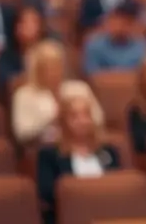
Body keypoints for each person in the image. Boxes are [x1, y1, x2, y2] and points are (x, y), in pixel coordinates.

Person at [37, 95, 123, 224]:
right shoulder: (50, 155)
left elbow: (120, 187)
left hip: (109, 215)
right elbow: (47, 192)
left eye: (86, 115)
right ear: (63, 122)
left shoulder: (108, 151)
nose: (82, 121)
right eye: (74, 117)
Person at [12, 40, 105, 146]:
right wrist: (52, 117)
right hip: (46, 148)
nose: (54, 72)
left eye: (57, 66)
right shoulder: (24, 95)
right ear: (37, 70)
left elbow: (98, 118)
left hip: (84, 143)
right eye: (48, 68)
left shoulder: (79, 88)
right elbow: (22, 133)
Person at [83, 2, 146, 75]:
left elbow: (144, 76)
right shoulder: (95, 46)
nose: (120, 27)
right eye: (116, 22)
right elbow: (92, 76)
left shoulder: (142, 47)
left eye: (125, 23)